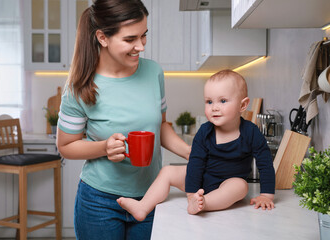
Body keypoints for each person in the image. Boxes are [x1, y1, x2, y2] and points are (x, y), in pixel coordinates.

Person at [56, 1, 191, 239]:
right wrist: (103, 148)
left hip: (151, 197)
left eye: (144, 36)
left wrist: (191, 152)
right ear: (102, 37)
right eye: (130, 39)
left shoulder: (153, 73)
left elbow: (160, 126)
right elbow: (66, 146)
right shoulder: (79, 88)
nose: (140, 46)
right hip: (99, 203)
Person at [117, 69, 276, 221]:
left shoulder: (251, 132)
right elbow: (195, 163)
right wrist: (191, 193)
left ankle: (205, 203)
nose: (214, 107)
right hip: (202, 178)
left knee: (241, 186)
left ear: (243, 105)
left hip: (228, 183)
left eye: (222, 101)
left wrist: (266, 195)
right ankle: (143, 207)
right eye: (209, 102)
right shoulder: (204, 131)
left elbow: (265, 164)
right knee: (167, 171)